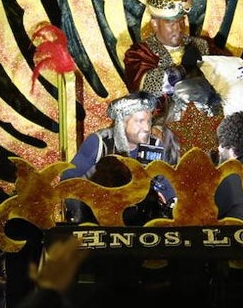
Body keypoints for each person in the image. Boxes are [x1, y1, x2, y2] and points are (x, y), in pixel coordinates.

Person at [62, 91, 175, 223]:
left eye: (149, 121)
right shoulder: (98, 143)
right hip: (101, 220)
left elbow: (167, 185)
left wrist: (171, 204)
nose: (146, 128)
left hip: (142, 223)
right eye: (140, 121)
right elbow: (68, 183)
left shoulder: (155, 146)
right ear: (122, 122)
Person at [122, 0, 227, 98]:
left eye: (181, 21)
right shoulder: (139, 53)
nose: (179, 28)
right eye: (171, 23)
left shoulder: (202, 45)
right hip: (162, 115)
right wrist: (184, 68)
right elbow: (146, 89)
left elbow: (232, 70)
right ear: (155, 24)